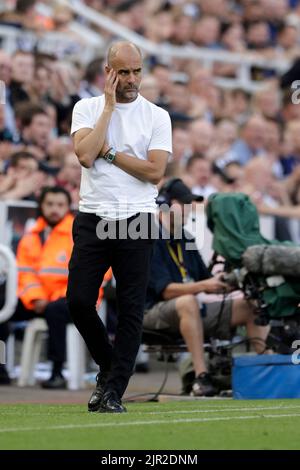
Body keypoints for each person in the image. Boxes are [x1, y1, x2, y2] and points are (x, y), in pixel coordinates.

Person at [67, 41, 172, 413]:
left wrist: (109, 153)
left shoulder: (157, 116)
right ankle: (109, 366)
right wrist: (109, 108)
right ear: (108, 73)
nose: (131, 79)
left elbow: (154, 172)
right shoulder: (88, 108)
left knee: (130, 308)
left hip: (137, 218)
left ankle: (113, 390)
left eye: (136, 71)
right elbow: (83, 154)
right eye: (123, 71)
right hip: (94, 216)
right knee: (78, 301)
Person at [144, 178, 270, 396]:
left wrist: (230, 280)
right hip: (152, 312)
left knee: (249, 305)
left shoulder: (187, 238)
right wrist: (206, 284)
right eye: (183, 203)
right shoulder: (148, 237)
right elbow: (165, 290)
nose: (188, 209)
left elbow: (206, 280)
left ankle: (269, 367)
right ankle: (201, 377)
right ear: (165, 204)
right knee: (188, 301)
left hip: (190, 309)